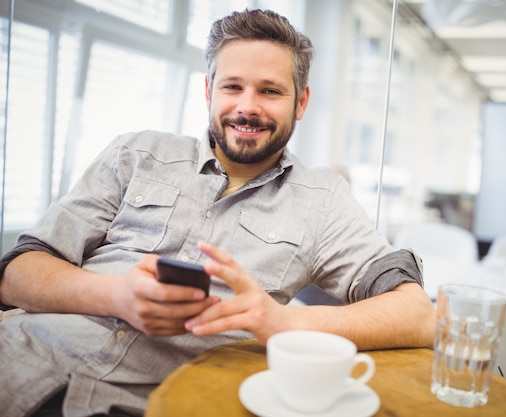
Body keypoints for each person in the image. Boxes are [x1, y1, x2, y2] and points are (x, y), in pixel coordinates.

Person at [0, 8, 435, 417]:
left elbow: (417, 316)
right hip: (18, 361)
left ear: (300, 103)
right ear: (209, 91)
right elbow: (16, 273)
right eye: (232, 87)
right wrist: (114, 295)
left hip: (156, 402)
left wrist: (284, 321)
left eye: (270, 91)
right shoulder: (136, 153)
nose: (248, 106)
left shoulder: (323, 200)